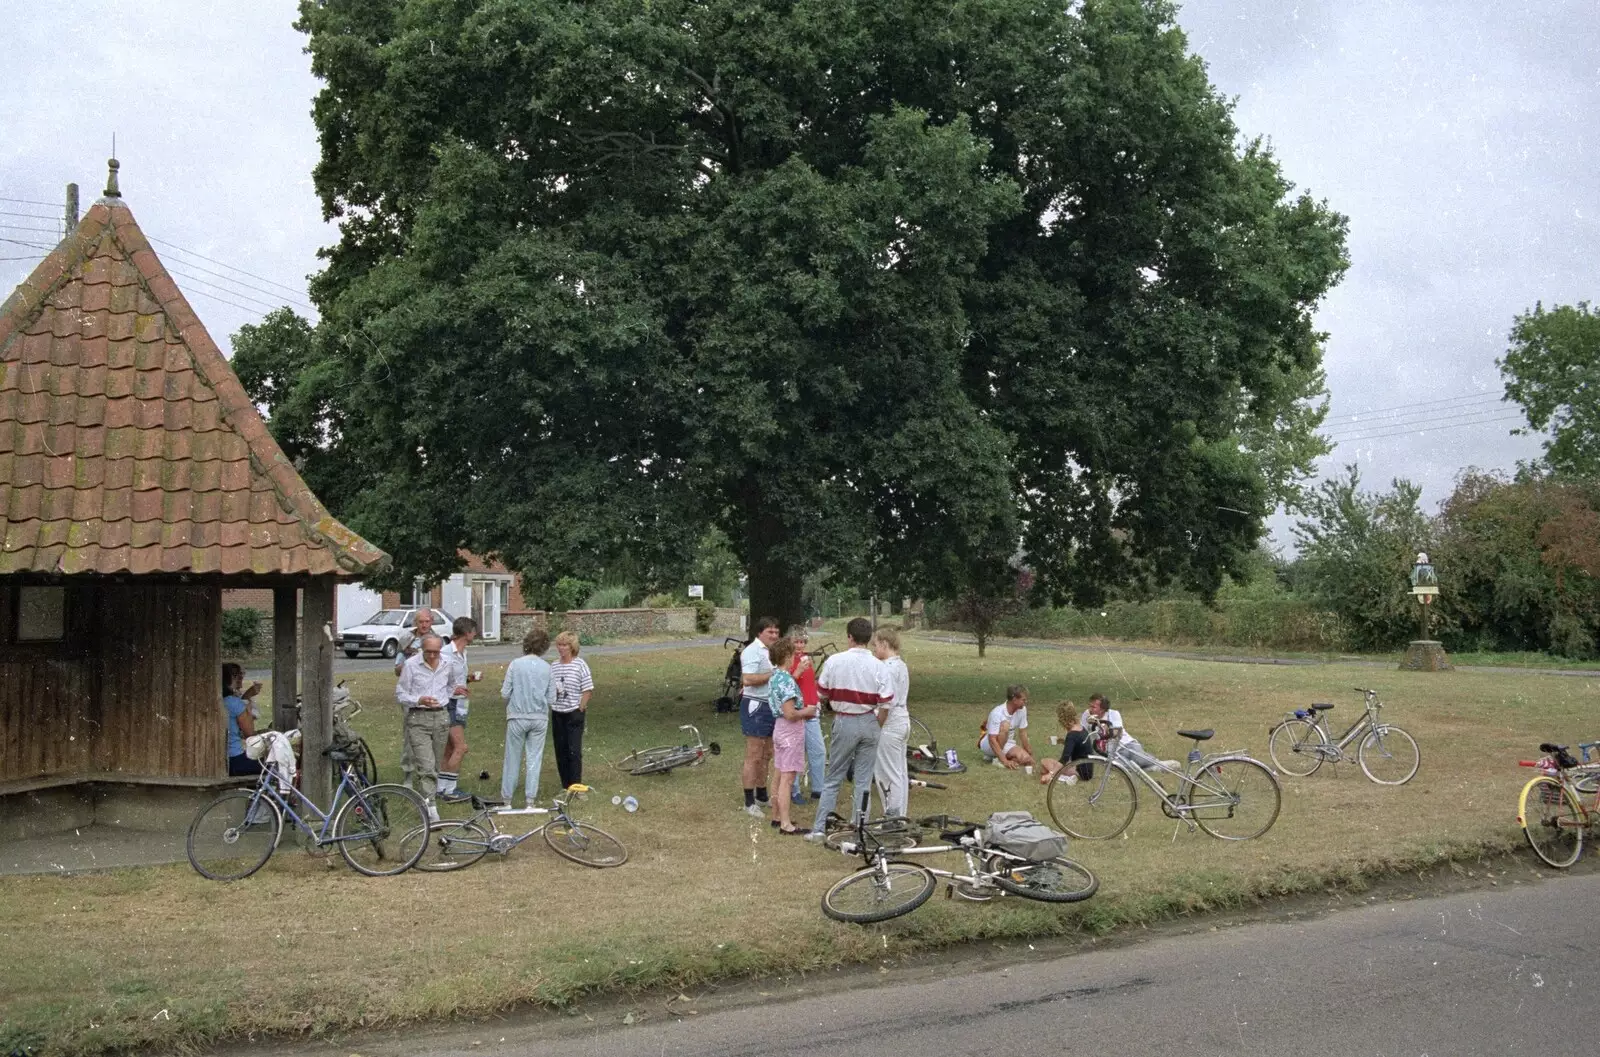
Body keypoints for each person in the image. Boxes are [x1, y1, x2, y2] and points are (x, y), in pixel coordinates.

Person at [807, 617, 894, 841]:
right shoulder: (879, 666)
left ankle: (819, 828)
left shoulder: (835, 661)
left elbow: (822, 693)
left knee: (834, 776)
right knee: (863, 779)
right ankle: (859, 826)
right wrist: (878, 724)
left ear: (849, 637)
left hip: (845, 719)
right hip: (869, 720)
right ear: (869, 638)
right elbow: (886, 703)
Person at [396, 634, 455, 816]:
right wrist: (419, 700)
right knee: (426, 766)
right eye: (428, 652)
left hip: (441, 718)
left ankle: (429, 799)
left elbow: (451, 685)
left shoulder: (447, 664)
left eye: (436, 652)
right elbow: (400, 693)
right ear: (422, 649)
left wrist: (446, 697)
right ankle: (431, 809)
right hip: (418, 719)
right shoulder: (411, 665)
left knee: (436, 764)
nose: (432, 656)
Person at [500, 628, 555, 808]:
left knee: (512, 757)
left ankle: (507, 799)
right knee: (534, 758)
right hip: (539, 718)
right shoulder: (547, 668)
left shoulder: (515, 664)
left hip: (517, 716)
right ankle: (530, 800)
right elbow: (552, 699)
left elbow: (505, 692)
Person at [766, 637, 814, 835]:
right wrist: (808, 711)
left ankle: (776, 816)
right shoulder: (786, 680)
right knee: (788, 777)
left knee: (779, 772)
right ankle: (786, 824)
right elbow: (790, 713)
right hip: (790, 730)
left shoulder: (776, 676)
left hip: (779, 729)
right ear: (786, 656)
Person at [738, 617, 781, 816]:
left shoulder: (773, 651)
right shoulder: (752, 651)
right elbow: (747, 679)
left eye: (776, 632)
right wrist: (774, 674)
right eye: (770, 632)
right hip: (756, 705)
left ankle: (762, 794)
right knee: (754, 754)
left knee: (768, 753)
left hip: (771, 704)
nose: (774, 635)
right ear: (759, 633)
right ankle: (749, 801)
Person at [392, 607, 437, 790]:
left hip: (431, 691)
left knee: (432, 734)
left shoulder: (436, 640)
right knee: (410, 734)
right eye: (421, 622)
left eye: (427, 621)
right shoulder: (406, 640)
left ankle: (428, 774)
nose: (424, 625)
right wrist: (410, 665)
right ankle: (408, 774)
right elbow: (396, 668)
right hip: (411, 693)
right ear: (415, 623)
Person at [436, 616, 479, 801]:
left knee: (450, 748)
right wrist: (455, 689)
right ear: (467, 633)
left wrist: (469, 679)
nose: (475, 634)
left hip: (461, 702)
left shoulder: (464, 653)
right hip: (449, 703)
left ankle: (440, 787)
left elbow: (457, 679)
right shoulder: (446, 653)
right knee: (461, 747)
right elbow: (438, 681)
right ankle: (450, 789)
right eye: (474, 631)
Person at [871, 627, 911, 817]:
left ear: (885, 644)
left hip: (891, 722)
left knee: (887, 773)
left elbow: (886, 703)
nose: (874, 649)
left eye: (876, 645)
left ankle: (892, 817)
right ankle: (899, 815)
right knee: (900, 772)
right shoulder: (900, 665)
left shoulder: (887, 668)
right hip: (903, 719)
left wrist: (878, 724)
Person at [785, 625, 825, 805]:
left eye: (802, 642)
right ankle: (794, 791)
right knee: (795, 753)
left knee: (818, 751)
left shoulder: (807, 659)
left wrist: (816, 698)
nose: (800, 645)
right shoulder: (787, 660)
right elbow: (785, 684)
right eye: (796, 642)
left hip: (812, 710)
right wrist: (798, 670)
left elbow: (810, 683)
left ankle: (819, 788)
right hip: (797, 712)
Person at [549, 631, 595, 789]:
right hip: (557, 713)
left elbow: (588, 689)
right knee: (560, 750)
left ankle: (576, 785)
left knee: (573, 751)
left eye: (565, 645)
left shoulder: (580, 664)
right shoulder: (554, 665)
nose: (561, 648)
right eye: (559, 645)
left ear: (572, 647)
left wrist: (580, 707)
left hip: (574, 713)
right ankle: (565, 785)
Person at [221, 663, 264, 777]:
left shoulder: (221, 700)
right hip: (235, 760)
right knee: (276, 766)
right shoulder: (234, 703)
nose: (241, 678)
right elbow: (250, 734)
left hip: (222, 759)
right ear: (232, 677)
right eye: (238, 675)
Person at [978, 684, 1035, 770]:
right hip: (989, 744)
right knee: (1005, 725)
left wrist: (1029, 754)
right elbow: (992, 740)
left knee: (1027, 760)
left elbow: (1023, 732)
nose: (1025, 702)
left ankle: (996, 757)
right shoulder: (997, 713)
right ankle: (998, 759)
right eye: (1023, 700)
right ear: (1015, 700)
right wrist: (1005, 761)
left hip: (1008, 743)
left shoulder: (1022, 710)